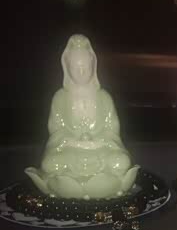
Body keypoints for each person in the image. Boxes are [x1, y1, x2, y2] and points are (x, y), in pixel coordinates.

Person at [25, 35, 138, 199]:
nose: (81, 72)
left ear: (94, 66)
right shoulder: (60, 97)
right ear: (67, 68)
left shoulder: (104, 97)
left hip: (100, 149)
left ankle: (70, 186)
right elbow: (56, 129)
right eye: (76, 67)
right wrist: (72, 141)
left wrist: (99, 140)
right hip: (70, 151)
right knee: (50, 164)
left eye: (85, 66)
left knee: (121, 162)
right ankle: (98, 185)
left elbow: (112, 129)